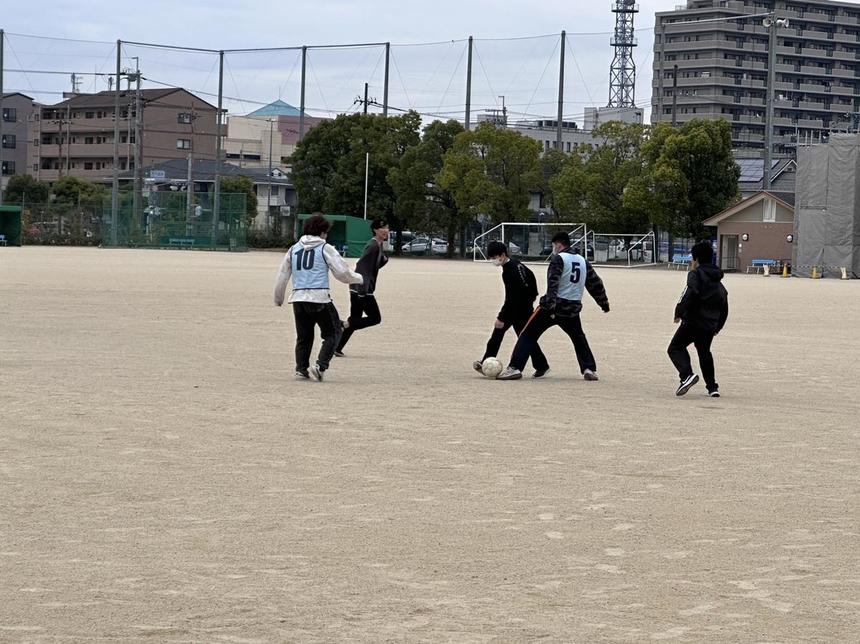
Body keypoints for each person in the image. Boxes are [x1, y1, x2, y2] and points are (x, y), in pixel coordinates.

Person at [497, 231, 610, 381]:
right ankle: (589, 368)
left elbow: (553, 283)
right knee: (578, 338)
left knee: (527, 334)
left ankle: (515, 368)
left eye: (554, 246)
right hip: (572, 308)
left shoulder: (559, 259)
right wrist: (603, 303)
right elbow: (595, 284)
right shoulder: (583, 261)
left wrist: (549, 306)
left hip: (553, 306)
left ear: (558, 244)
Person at [274, 213, 363, 381]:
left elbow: (282, 275)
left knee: (304, 336)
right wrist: (359, 278)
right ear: (322, 232)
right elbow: (342, 272)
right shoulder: (325, 248)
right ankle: (320, 366)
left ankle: (301, 368)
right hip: (319, 297)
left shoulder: (293, 249)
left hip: (298, 299)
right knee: (334, 331)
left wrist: (278, 298)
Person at [472, 241, 550, 378]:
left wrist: (501, 317)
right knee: (524, 337)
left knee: (505, 333)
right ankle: (541, 365)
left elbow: (511, 297)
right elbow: (531, 277)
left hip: (516, 309)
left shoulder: (509, 271)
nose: (493, 260)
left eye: (494, 257)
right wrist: (532, 296)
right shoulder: (517, 264)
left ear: (503, 254)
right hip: (524, 307)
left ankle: (487, 361)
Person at [668, 241, 728, 397]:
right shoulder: (717, 280)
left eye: (692, 259)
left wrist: (679, 312)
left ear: (696, 259)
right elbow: (724, 304)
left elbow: (690, 293)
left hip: (693, 321)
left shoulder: (696, 274)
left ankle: (686, 375)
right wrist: (717, 327)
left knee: (675, 348)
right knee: (704, 353)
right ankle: (712, 387)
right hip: (709, 324)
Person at [335, 218, 389, 356]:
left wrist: (383, 261)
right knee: (375, 318)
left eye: (387, 227)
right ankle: (345, 324)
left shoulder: (378, 244)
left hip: (357, 287)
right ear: (375, 230)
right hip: (362, 288)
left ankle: (337, 347)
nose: (386, 230)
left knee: (356, 317)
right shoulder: (373, 246)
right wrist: (363, 290)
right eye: (383, 228)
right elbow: (362, 267)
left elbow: (372, 266)